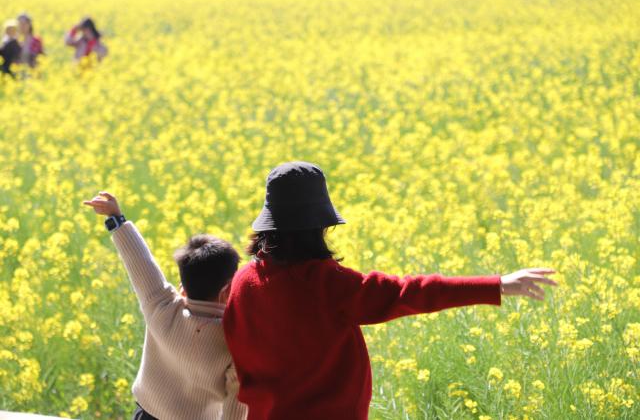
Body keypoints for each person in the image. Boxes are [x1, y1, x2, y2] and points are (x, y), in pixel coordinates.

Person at [223, 161, 558, 420]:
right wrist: (496, 284)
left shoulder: (242, 283)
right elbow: (409, 293)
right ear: (318, 226)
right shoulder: (328, 285)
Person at [84, 192, 247, 420]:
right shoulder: (234, 341)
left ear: (183, 286)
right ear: (227, 290)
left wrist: (116, 220)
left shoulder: (162, 307)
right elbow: (235, 408)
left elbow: (140, 263)